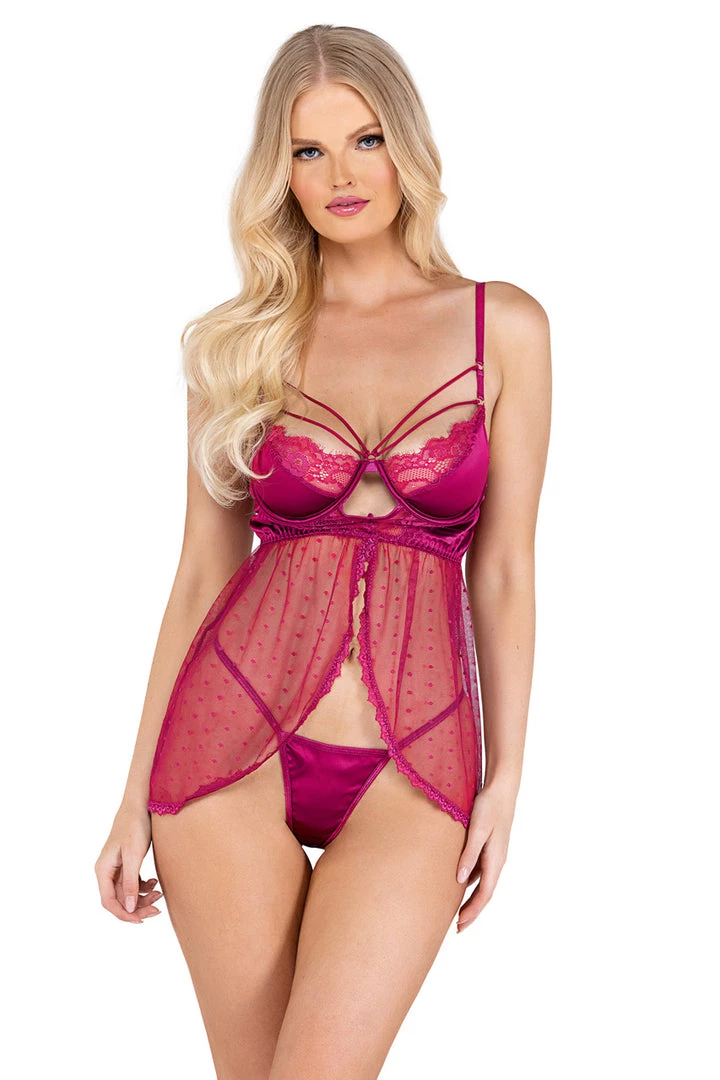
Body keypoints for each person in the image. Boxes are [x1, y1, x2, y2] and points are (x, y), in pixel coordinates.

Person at [94, 22, 551, 1080]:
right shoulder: (238, 342)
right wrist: (129, 795)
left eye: (365, 140)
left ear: (407, 150)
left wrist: (509, 780)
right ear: (280, 171)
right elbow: (200, 575)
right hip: (230, 745)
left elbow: (507, 571)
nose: (341, 175)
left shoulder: (503, 328)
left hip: (416, 758)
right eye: (308, 150)